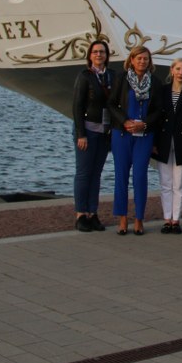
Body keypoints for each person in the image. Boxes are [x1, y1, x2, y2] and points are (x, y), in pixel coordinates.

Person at [107, 46, 166, 236]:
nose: (142, 62)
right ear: (131, 60)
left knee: (140, 176)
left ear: (150, 62)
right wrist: (124, 121)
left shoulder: (155, 83)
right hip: (122, 134)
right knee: (121, 176)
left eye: (146, 59)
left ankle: (139, 218)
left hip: (144, 135)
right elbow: (111, 104)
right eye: (139, 58)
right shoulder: (121, 79)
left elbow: (159, 110)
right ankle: (123, 218)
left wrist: (145, 125)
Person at [72, 39, 116, 232]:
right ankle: (81, 214)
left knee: (96, 174)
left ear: (107, 56)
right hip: (88, 131)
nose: (99, 55)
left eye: (102, 52)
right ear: (90, 55)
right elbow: (77, 106)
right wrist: (81, 134)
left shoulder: (112, 76)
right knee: (83, 173)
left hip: (104, 132)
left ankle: (93, 212)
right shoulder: (85, 77)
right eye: (96, 52)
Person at [155, 58, 182, 234]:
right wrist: (154, 143)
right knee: (165, 183)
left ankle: (176, 220)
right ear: (172, 70)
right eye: (178, 69)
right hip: (164, 142)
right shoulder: (163, 91)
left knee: (179, 184)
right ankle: (167, 218)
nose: (181, 73)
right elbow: (157, 118)